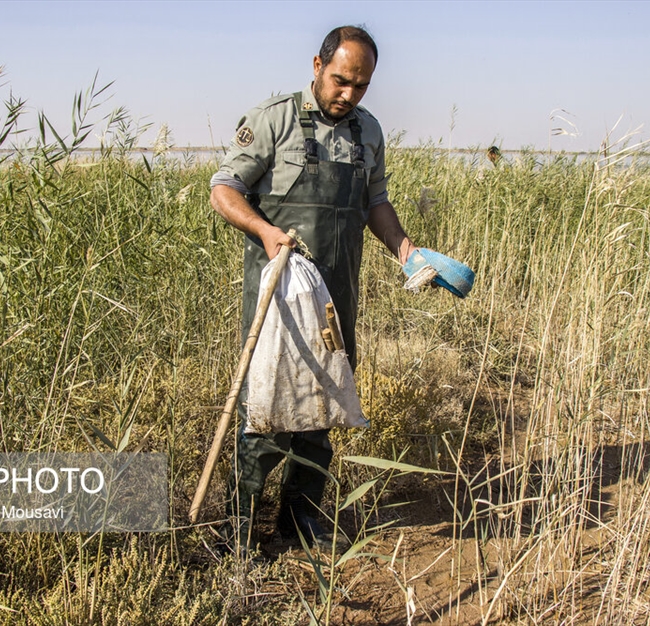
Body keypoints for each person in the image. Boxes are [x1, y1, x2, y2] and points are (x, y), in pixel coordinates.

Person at [209, 25, 418, 554]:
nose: (348, 94)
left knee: (322, 403)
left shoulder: (368, 132)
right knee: (269, 408)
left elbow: (375, 201)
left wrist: (405, 249)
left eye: (362, 85)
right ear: (317, 65)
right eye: (341, 81)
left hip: (335, 295)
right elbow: (224, 189)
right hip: (278, 297)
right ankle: (238, 530)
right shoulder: (274, 120)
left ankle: (300, 523)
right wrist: (265, 231)